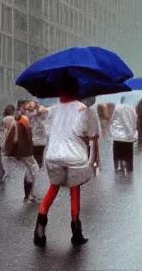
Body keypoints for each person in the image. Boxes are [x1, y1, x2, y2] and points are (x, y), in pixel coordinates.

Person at [33, 75, 100, 247]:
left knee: (53, 189)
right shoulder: (84, 110)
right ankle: (76, 232)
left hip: (53, 155)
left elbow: (50, 131)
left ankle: (39, 229)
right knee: (74, 191)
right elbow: (92, 135)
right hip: (75, 157)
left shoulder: (52, 110)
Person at [4, 112, 40, 203]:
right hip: (25, 152)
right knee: (34, 170)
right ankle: (31, 195)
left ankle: (30, 194)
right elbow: (24, 140)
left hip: (22, 152)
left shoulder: (17, 123)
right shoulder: (22, 123)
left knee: (32, 170)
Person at [110, 96, 137, 173]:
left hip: (118, 136)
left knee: (117, 152)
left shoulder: (117, 108)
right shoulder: (132, 109)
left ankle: (118, 166)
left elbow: (112, 120)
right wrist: (132, 132)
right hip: (129, 137)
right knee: (128, 153)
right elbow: (134, 122)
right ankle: (129, 168)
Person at [23, 101, 49, 169]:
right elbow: (36, 112)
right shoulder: (29, 113)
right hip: (35, 140)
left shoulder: (42, 112)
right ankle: (37, 169)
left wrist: (36, 108)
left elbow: (41, 111)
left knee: (38, 157)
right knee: (36, 157)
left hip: (40, 140)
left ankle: (37, 169)